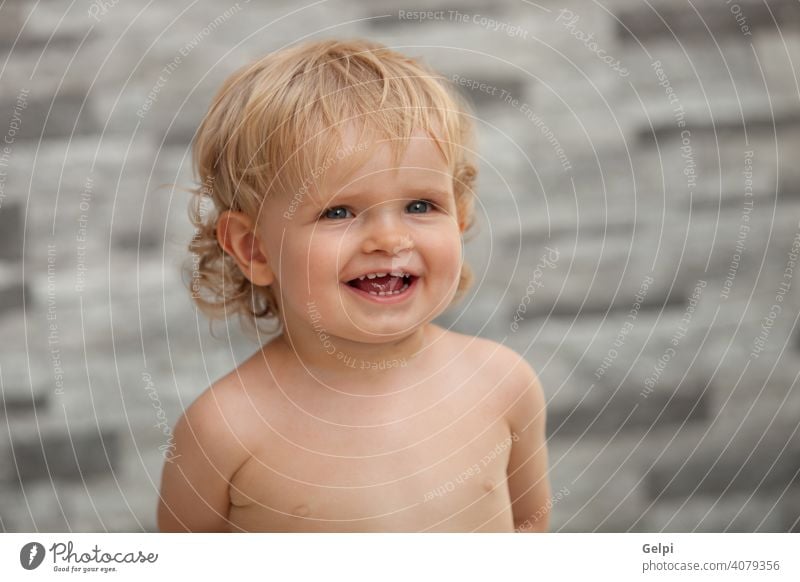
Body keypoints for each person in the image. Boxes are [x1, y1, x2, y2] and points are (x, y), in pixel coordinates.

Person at [157, 38, 550, 532]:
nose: (389, 238)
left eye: (420, 206)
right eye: (338, 212)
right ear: (254, 248)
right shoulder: (225, 429)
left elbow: (531, 529)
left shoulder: (502, 383)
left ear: (461, 216)